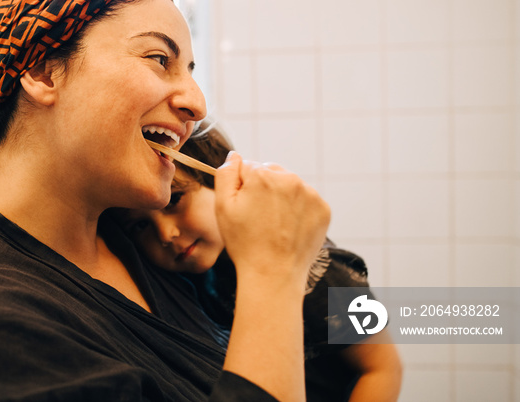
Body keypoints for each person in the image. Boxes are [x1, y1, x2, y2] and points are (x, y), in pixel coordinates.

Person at [0, 0, 331, 401]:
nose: (197, 102)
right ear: (42, 71)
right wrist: (273, 272)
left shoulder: (129, 234)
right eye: (159, 58)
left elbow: (368, 327)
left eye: (190, 71)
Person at [117, 122, 403, 401]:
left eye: (175, 200)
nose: (165, 234)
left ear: (226, 185)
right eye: (140, 226)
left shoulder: (319, 272)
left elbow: (383, 368)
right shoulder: (187, 283)